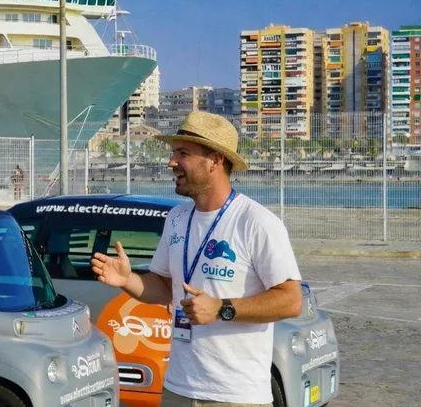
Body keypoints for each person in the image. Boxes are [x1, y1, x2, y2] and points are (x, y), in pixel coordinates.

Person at [90, 111, 303, 407]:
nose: (171, 162)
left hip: (236, 397)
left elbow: (291, 300)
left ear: (214, 160)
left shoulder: (256, 222)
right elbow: (165, 288)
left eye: (183, 153)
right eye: (173, 153)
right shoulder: (177, 218)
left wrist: (222, 309)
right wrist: (128, 280)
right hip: (177, 390)